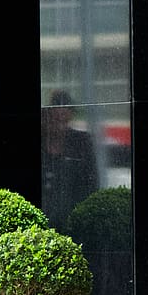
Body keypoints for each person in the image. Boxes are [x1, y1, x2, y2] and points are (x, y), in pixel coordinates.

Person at [41, 90, 99, 231]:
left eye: (63, 118)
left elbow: (91, 183)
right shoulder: (43, 140)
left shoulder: (81, 142)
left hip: (72, 220)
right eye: (54, 117)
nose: (58, 121)